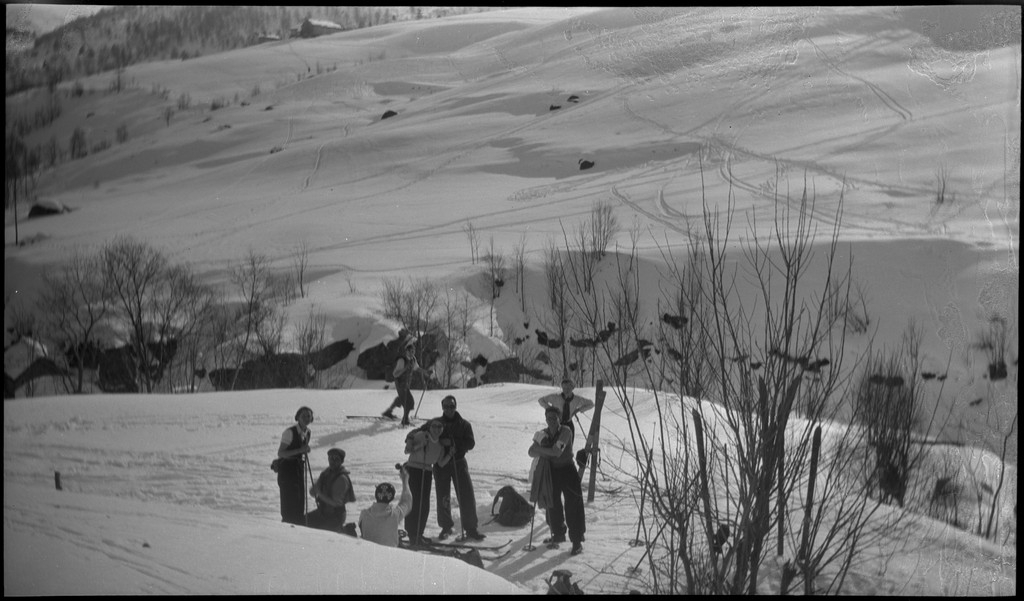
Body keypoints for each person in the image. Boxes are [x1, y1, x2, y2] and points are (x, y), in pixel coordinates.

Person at [412, 395, 485, 541]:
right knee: (443, 496)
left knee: (466, 495)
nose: (449, 409)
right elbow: (419, 431)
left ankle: (471, 528)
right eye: (446, 407)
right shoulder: (436, 423)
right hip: (441, 464)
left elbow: (470, 443)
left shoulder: (464, 424)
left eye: (451, 406)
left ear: (455, 407)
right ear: (442, 408)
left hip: (458, 462)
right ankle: (446, 527)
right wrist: (410, 438)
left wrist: (453, 444)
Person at [528, 405, 586, 556]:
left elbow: (557, 452)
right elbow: (530, 452)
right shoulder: (543, 433)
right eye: (549, 418)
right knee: (552, 504)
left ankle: (577, 541)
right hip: (552, 472)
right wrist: (542, 450)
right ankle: (558, 533)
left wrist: (540, 449)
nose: (551, 421)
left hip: (567, 470)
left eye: (554, 418)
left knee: (573, 505)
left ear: (559, 419)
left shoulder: (565, 431)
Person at [403, 419, 451, 545]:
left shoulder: (440, 445)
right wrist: (420, 445)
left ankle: (419, 533)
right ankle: (412, 534)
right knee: (415, 502)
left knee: (424, 505)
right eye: (434, 426)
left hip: (427, 472)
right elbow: (407, 450)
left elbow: (440, 463)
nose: (437, 429)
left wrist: (450, 454)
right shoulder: (421, 436)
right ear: (429, 427)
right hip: (414, 470)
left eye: (440, 426)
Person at [359, 466, 413, 547]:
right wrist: (405, 480)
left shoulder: (364, 514)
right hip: (389, 555)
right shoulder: (395, 515)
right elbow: (407, 502)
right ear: (392, 497)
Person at [304, 448, 355, 533]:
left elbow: (335, 503)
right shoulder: (326, 473)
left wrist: (319, 493)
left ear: (341, 461)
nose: (332, 461)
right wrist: (315, 489)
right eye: (331, 458)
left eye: (336, 459)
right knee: (302, 522)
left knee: (320, 532)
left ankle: (345, 531)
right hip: (323, 512)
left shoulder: (342, 479)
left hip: (335, 516)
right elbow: (313, 492)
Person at [383, 341, 433, 426]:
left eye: (413, 351)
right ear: (406, 351)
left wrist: (426, 372)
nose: (412, 353)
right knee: (409, 401)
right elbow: (395, 374)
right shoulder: (402, 360)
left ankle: (388, 412)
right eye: (410, 351)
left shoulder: (413, 359)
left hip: (406, 382)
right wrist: (405, 368)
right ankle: (405, 420)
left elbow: (417, 368)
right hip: (399, 382)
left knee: (402, 398)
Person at [277, 406, 313, 525]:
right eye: (303, 416)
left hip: (298, 470)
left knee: (299, 502)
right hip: (287, 470)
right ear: (298, 417)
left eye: (309, 416)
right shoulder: (289, 432)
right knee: (289, 504)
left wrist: (303, 450)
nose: (306, 418)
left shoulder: (307, 433)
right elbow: (281, 453)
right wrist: (300, 450)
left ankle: (297, 528)